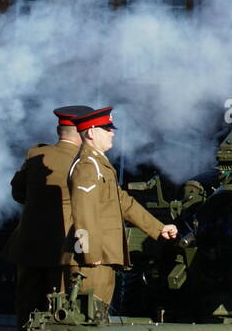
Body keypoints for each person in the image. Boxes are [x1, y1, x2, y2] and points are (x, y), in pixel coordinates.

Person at [67, 107, 177, 307]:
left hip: (103, 256)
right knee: (88, 317)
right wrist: (89, 252)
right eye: (106, 128)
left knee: (98, 316)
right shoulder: (87, 166)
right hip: (93, 259)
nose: (112, 132)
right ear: (91, 132)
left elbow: (124, 202)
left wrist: (158, 228)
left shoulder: (99, 164)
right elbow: (83, 213)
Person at [3, 105, 89, 331]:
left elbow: (17, 192)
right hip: (63, 247)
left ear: (58, 130)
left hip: (28, 245)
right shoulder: (84, 161)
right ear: (83, 133)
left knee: (26, 309)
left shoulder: (35, 154)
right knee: (60, 308)